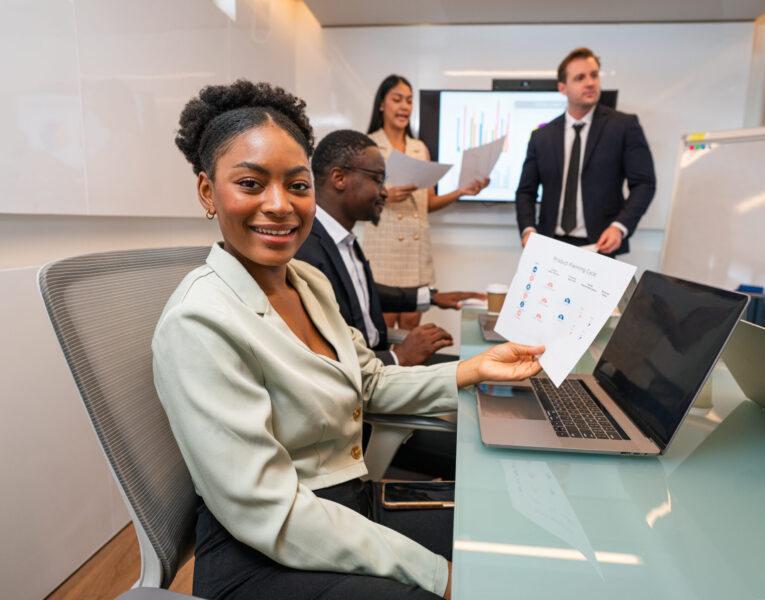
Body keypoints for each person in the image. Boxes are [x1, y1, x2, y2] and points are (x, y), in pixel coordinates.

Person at [153, 79, 545, 600]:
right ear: (208, 192)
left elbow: (369, 379)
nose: (280, 205)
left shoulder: (307, 282)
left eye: (296, 185)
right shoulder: (198, 322)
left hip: (344, 507)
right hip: (264, 551)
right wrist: (435, 574)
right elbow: (272, 511)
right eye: (250, 183)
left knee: (501, 543)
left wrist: (473, 369)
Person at [297, 129, 484, 367]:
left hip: (379, 364)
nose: (384, 191)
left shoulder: (340, 237)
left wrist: (431, 297)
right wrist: (399, 357)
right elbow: (321, 358)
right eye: (377, 179)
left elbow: (359, 293)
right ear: (339, 178)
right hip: (362, 381)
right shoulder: (305, 251)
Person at [364, 74, 489, 330]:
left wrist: (461, 191)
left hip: (415, 252)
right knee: (383, 327)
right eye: (397, 99)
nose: (404, 107)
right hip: (383, 249)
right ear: (381, 104)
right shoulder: (368, 145)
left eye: (409, 101)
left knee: (412, 328)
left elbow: (428, 203)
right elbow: (354, 198)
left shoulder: (419, 147)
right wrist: (384, 195)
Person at [515, 47, 656, 256]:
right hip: (549, 244)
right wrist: (528, 229)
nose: (590, 82)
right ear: (563, 88)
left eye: (594, 75)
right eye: (580, 78)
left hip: (599, 245)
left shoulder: (624, 126)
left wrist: (620, 226)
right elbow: (526, 191)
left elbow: (644, 183)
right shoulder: (541, 137)